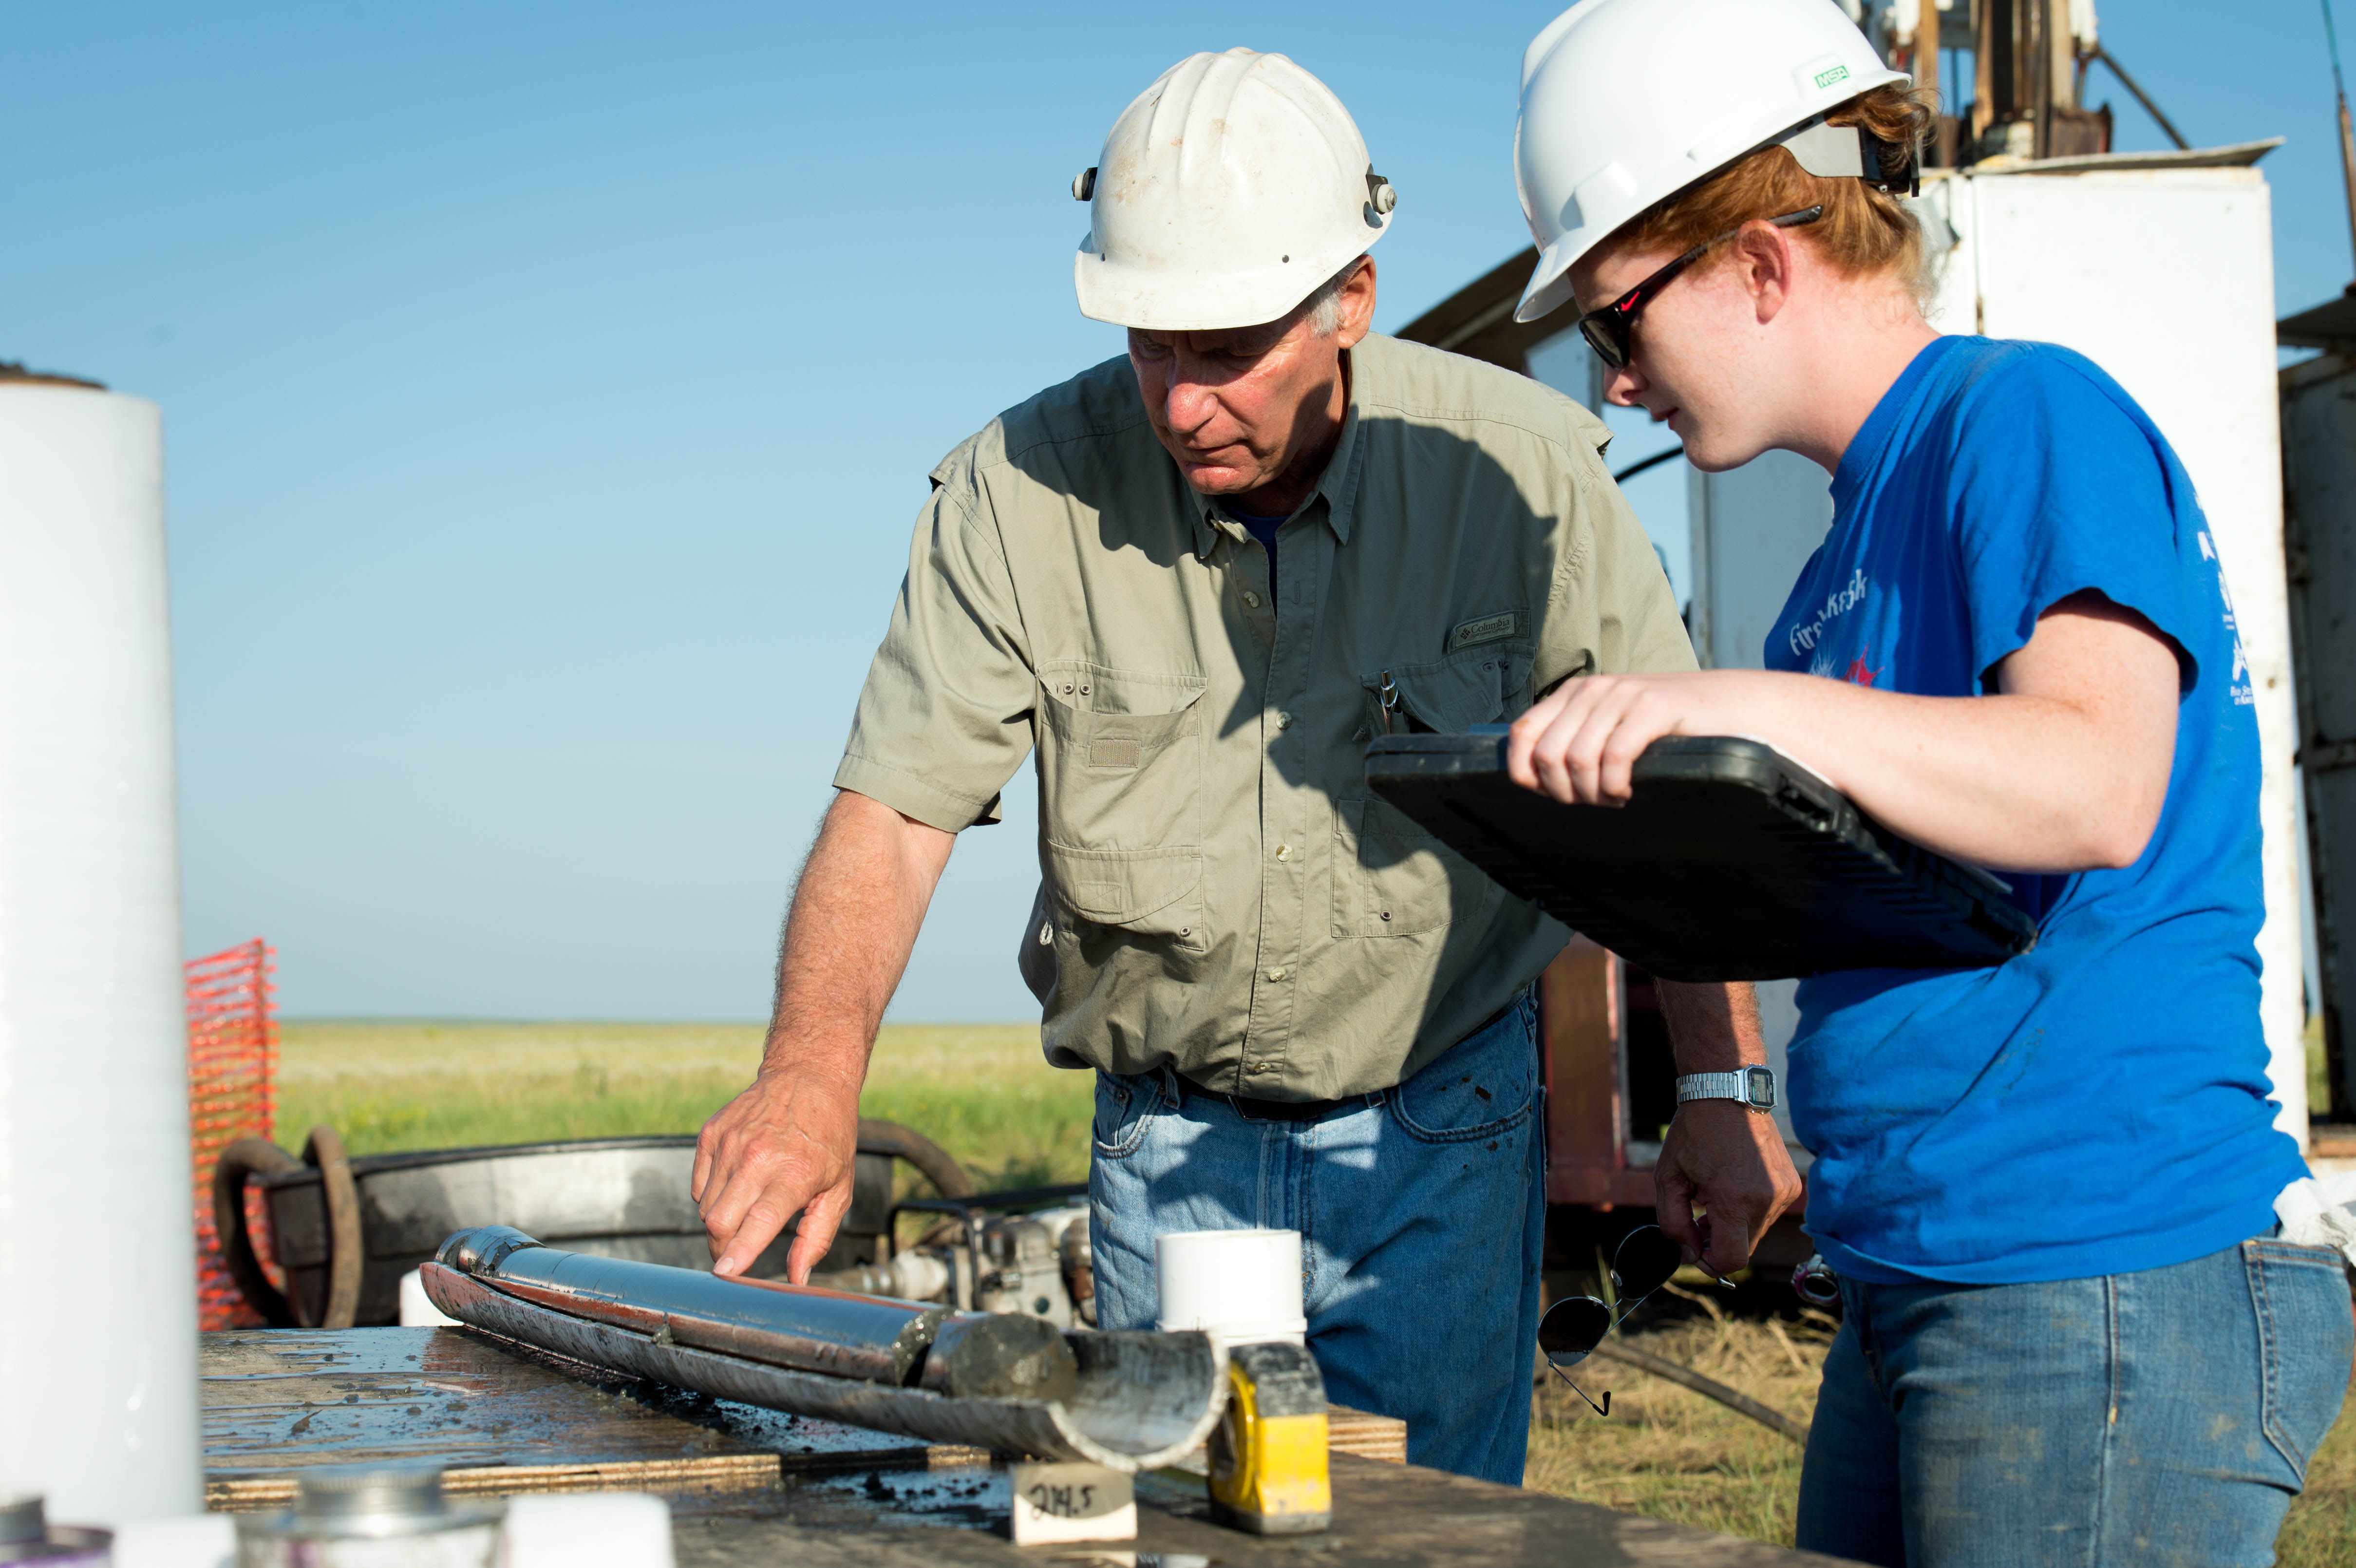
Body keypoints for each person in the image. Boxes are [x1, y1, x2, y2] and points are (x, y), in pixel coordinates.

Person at [689, 45, 1796, 1484]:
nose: (1182, 402)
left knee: (1434, 1525)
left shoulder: (1524, 479)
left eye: (1228, 350)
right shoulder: (1017, 496)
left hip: (1444, 1122)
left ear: (1351, 301)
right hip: (1173, 1145)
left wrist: (1721, 1096)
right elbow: (895, 810)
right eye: (1152, 344)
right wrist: (808, 1074)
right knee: (1189, 1523)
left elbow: (1667, 804)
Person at [1505, 0, 2354, 1561]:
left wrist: (1742, 707)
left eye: (1618, 321)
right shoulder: (1842, 561)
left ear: (1761, 261)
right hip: (1920, 1271)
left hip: (2088, 1275)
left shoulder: (2022, 418)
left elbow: (2097, 781)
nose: (1616, 382)